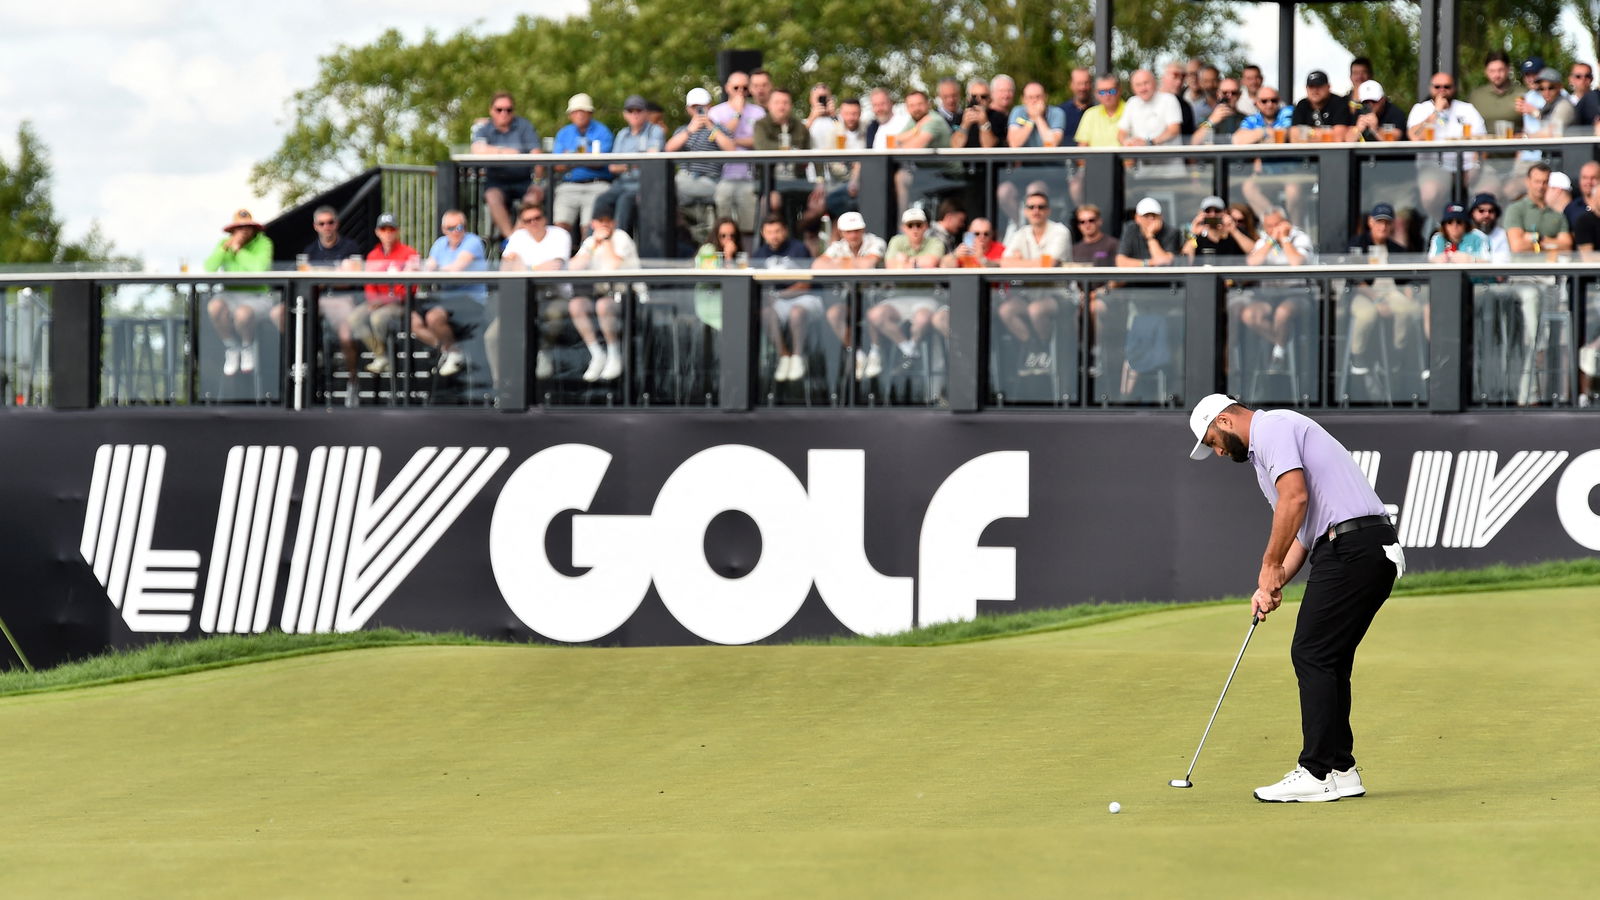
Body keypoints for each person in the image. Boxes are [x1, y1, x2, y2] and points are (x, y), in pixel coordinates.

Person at [1185, 393, 1403, 802]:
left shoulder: (1273, 427)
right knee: (1330, 659)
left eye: (1212, 441)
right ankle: (1341, 769)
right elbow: (1303, 533)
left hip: (1352, 546)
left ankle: (1316, 771)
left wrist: (1269, 563)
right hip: (1361, 547)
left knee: (1311, 653)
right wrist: (1274, 580)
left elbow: (1295, 498)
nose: (1217, 452)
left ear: (1225, 421)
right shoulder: (1263, 459)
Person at [565, 201, 640, 383]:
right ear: (593, 224)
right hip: (602, 295)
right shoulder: (590, 242)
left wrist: (606, 241)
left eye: (607, 221)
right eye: (600, 221)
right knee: (576, 305)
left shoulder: (621, 237)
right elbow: (572, 267)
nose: (604, 225)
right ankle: (597, 354)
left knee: (603, 306)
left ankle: (614, 354)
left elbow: (613, 266)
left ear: (614, 223)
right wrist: (592, 248)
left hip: (629, 296)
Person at [499, 204, 572, 382]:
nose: (533, 223)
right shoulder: (518, 237)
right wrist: (535, 267)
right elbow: (504, 268)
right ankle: (500, 382)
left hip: (556, 295)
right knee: (494, 334)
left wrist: (524, 267)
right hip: (524, 297)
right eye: (528, 220)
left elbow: (554, 267)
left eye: (537, 218)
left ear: (545, 218)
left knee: (553, 316)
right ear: (522, 223)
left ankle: (544, 353)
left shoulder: (560, 235)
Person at [203, 208, 278, 378]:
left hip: (258, 297)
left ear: (253, 229)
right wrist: (224, 249)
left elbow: (259, 269)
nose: (243, 231)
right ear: (233, 230)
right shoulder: (224, 244)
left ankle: (247, 346)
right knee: (214, 307)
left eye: (247, 227)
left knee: (242, 314)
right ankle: (231, 346)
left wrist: (239, 250)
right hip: (229, 295)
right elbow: (209, 268)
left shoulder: (264, 243)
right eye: (239, 228)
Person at [418, 209, 488, 378]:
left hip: (472, 300)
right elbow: (429, 267)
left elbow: (456, 268)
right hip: (447, 299)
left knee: (433, 317)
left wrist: (431, 269)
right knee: (411, 318)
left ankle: (454, 353)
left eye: (460, 227)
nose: (456, 231)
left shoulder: (473, 241)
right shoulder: (440, 243)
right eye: (451, 228)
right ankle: (447, 348)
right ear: (444, 229)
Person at [348, 213, 419, 379]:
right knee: (354, 318)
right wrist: (374, 299)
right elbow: (369, 284)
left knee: (378, 318)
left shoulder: (409, 253)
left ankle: (387, 358)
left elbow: (410, 287)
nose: (387, 233)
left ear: (397, 231)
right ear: (377, 232)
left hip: (400, 304)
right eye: (383, 229)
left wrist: (384, 300)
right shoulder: (373, 255)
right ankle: (381, 355)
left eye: (391, 229)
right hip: (377, 302)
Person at [665, 87, 737, 243]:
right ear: (688, 109)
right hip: (686, 181)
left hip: (711, 181)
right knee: (670, 186)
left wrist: (711, 127)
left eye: (702, 106)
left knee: (675, 184)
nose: (699, 110)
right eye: (695, 107)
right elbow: (669, 148)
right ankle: (679, 231)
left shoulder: (719, 129)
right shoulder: (683, 130)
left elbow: (731, 149)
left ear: (709, 106)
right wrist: (690, 130)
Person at [752, 215, 819, 382]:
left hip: (805, 299)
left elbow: (806, 284)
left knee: (796, 313)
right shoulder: (759, 255)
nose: (774, 236)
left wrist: (778, 295)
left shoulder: (799, 249)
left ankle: (797, 357)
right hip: (777, 302)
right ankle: (784, 356)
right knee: (766, 314)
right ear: (763, 234)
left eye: (777, 231)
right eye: (769, 232)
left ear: (785, 231)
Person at [470, 92, 541, 242]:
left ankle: (514, 240)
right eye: (499, 109)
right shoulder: (484, 128)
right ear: (491, 110)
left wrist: (537, 181)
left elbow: (537, 153)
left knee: (534, 196)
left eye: (508, 110)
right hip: (497, 182)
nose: (504, 113)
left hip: (524, 181)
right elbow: (477, 149)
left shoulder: (524, 126)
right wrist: (504, 151)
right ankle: (511, 238)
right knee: (492, 196)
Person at [597, 94, 665, 236]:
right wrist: (636, 162)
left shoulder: (655, 130)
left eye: (638, 110)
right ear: (625, 114)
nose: (634, 114)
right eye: (630, 110)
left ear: (646, 113)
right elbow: (612, 167)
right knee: (601, 201)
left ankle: (620, 244)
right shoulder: (622, 134)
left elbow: (652, 158)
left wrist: (626, 164)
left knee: (624, 202)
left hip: (644, 184)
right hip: (621, 183)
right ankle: (593, 243)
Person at [551, 93, 615, 236]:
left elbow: (599, 163)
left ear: (590, 113)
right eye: (575, 112)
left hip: (597, 185)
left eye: (583, 111)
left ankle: (587, 251)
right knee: (559, 229)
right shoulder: (563, 133)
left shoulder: (603, 132)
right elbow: (557, 165)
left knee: (590, 228)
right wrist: (586, 156)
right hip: (568, 185)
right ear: (570, 115)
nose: (579, 115)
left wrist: (570, 157)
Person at [1117, 69, 1182, 148]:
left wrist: (1149, 143)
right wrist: (1127, 142)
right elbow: (1121, 132)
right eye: (1138, 85)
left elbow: (1174, 130)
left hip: (1168, 154)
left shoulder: (1169, 99)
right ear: (1132, 88)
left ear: (1154, 83)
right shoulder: (1131, 103)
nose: (1143, 88)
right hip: (1140, 155)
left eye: (1146, 83)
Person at [1115, 197, 1181, 267]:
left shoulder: (1171, 232)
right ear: (1137, 218)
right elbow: (1120, 262)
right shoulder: (1130, 229)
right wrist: (1148, 263)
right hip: (1136, 273)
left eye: (1154, 215)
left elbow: (1163, 262)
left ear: (1161, 217)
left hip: (1161, 274)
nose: (1151, 219)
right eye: (1146, 216)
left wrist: (1150, 236)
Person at [1185, 195, 1254, 261]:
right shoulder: (1197, 238)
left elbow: (1254, 253)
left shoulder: (1236, 233)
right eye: (1208, 211)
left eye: (1217, 211)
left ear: (1225, 212)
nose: (1213, 215)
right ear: (1201, 213)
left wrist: (1233, 231)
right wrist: (1193, 234)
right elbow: (1186, 260)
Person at [1468, 52, 1519, 132]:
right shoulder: (1475, 96)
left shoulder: (1523, 93)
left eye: (1500, 70)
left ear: (1508, 69)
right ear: (1485, 71)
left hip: (1515, 139)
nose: (1496, 75)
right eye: (1492, 71)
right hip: (1482, 140)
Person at [1074, 74, 1125, 148]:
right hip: (1094, 156)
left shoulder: (1131, 111)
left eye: (1111, 91)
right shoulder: (1090, 114)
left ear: (1119, 90)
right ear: (1096, 94)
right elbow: (1082, 148)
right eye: (1102, 92)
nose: (1107, 95)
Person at [940, 217, 1006, 267]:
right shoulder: (965, 249)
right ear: (969, 233)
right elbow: (944, 265)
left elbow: (1002, 266)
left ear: (991, 234)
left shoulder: (999, 249)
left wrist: (982, 259)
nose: (982, 237)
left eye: (986, 234)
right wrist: (955, 255)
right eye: (977, 234)